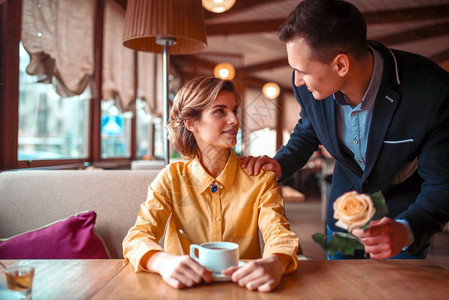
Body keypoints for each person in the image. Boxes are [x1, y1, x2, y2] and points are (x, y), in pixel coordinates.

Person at [242, 0, 449, 260]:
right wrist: (279, 164)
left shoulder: (434, 92)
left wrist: (406, 231)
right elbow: (308, 131)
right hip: (342, 217)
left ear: (341, 65)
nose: (296, 81)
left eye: (302, 71)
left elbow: (443, 183)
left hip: (401, 220)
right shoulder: (309, 86)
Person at [123, 76, 298, 292]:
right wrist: (163, 262)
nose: (234, 120)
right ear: (191, 122)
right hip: (182, 290)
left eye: (234, 110)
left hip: (245, 289)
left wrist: (276, 262)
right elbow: (137, 236)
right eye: (219, 111)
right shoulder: (171, 178)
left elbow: (278, 233)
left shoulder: (260, 177)